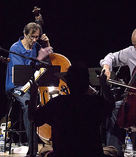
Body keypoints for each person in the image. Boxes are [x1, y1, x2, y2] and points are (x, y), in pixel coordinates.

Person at [28, 63, 116, 157]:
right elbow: (111, 106)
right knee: (112, 150)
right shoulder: (95, 102)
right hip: (91, 153)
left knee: (45, 149)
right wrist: (104, 85)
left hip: (63, 154)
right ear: (87, 83)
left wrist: (33, 94)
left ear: (68, 82)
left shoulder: (57, 103)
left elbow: (32, 117)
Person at [5, 22, 53, 155]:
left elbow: (49, 61)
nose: (34, 40)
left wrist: (47, 45)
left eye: (37, 37)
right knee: (29, 105)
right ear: (25, 34)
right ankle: (32, 149)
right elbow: (22, 73)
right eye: (32, 37)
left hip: (33, 85)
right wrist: (39, 58)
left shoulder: (37, 45)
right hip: (17, 86)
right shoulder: (15, 48)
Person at [100, 28, 136, 156]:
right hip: (134, 100)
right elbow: (111, 57)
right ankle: (113, 152)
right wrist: (106, 67)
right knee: (113, 110)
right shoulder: (131, 52)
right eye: (135, 46)